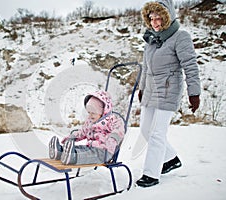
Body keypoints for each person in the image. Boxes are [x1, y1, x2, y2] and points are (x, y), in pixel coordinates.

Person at [136, 0, 201, 187]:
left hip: (168, 91)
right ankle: (171, 159)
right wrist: (142, 88)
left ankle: (151, 174)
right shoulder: (151, 40)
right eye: (152, 18)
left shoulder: (180, 37)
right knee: (145, 131)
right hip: (150, 91)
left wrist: (194, 93)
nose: (155, 22)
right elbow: (146, 69)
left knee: (157, 133)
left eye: (159, 18)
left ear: (168, 17)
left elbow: (190, 65)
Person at [48, 90, 125, 165]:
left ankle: (72, 157)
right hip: (90, 147)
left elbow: (119, 130)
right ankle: (60, 152)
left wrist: (112, 139)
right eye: (89, 112)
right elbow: (83, 132)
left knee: (88, 155)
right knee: (81, 149)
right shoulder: (90, 121)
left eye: (93, 113)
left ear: (103, 112)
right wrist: (73, 137)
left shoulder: (113, 120)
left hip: (104, 152)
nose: (90, 115)